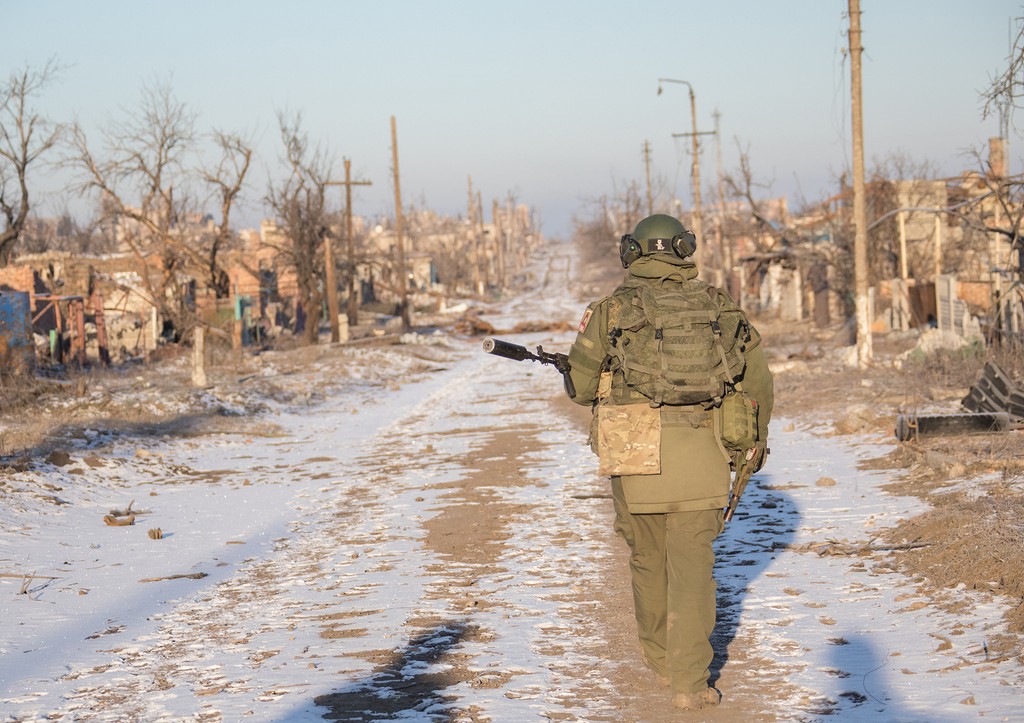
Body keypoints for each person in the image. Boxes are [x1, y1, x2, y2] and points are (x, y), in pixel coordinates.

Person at [565, 213, 774, 711]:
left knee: (647, 559)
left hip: (635, 450)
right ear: (684, 249)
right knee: (694, 566)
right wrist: (753, 439)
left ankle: (660, 659)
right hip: (703, 450)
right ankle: (690, 681)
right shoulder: (720, 306)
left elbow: (580, 389)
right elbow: (757, 382)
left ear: (631, 252)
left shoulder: (610, 311)